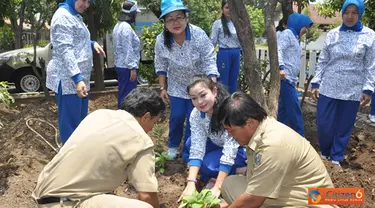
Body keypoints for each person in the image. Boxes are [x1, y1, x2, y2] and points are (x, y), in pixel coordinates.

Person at [32, 88, 166, 208]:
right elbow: (147, 196)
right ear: (146, 117)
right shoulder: (141, 140)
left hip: (43, 195)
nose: (152, 128)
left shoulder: (99, 115)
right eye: (154, 122)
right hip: (67, 203)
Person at [217, 92, 336, 208]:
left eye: (231, 130)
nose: (229, 135)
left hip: (312, 201)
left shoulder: (272, 145)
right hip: (288, 192)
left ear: (249, 123)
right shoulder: (262, 129)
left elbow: (254, 200)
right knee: (229, 184)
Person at [311, 0, 375, 167]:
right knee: (324, 124)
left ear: (360, 13)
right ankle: (324, 153)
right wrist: (316, 82)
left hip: (352, 89)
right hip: (329, 86)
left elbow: (371, 64)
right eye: (347, 12)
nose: (349, 16)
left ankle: (336, 158)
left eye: (354, 12)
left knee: (344, 126)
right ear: (342, 12)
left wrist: (368, 89)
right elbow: (323, 59)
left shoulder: (369, 35)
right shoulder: (332, 34)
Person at [155, 0, 219, 159]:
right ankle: (172, 146)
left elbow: (209, 57)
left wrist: (212, 80)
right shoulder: (161, 41)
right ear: (165, 24)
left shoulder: (198, 34)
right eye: (170, 19)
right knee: (176, 117)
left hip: (198, 87)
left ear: (186, 18)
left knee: (194, 119)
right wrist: (162, 88)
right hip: (176, 86)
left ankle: (189, 152)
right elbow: (161, 64)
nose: (175, 22)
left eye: (179, 17)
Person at [46, 0, 106, 145]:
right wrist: (77, 79)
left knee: (79, 122)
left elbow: (75, 40)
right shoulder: (62, 17)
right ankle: (69, 160)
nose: (86, 4)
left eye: (89, 1)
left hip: (78, 79)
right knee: (70, 125)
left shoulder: (75, 15)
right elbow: (65, 50)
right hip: (69, 80)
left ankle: (78, 156)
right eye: (83, 0)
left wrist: (91, 44)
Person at [179, 75, 247, 200]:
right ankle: (217, 174)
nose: (199, 102)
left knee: (207, 164)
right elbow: (197, 146)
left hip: (239, 149)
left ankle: (240, 170)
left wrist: (218, 187)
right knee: (189, 144)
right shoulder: (196, 114)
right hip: (217, 144)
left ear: (214, 91)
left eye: (203, 95)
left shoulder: (229, 112)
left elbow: (230, 150)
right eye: (194, 98)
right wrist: (190, 182)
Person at [277, 13, 313, 137]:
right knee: (295, 110)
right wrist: (281, 68)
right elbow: (279, 50)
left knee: (283, 112)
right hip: (285, 78)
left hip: (290, 79)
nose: (306, 30)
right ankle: (301, 140)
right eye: (305, 27)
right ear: (299, 24)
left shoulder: (294, 37)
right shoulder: (287, 34)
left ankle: (278, 138)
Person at [113, 0, 141, 109]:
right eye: (135, 13)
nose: (136, 16)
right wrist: (132, 68)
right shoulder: (126, 27)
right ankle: (125, 117)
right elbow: (128, 48)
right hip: (127, 67)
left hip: (121, 65)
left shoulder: (118, 25)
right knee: (128, 97)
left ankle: (122, 116)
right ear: (131, 13)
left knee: (123, 94)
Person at [211, 0, 241, 94]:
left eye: (231, 8)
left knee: (233, 79)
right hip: (224, 53)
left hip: (236, 53)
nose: (229, 10)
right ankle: (221, 103)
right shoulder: (218, 23)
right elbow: (212, 41)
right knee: (223, 80)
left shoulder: (238, 23)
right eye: (227, 7)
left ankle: (231, 104)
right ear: (222, 9)